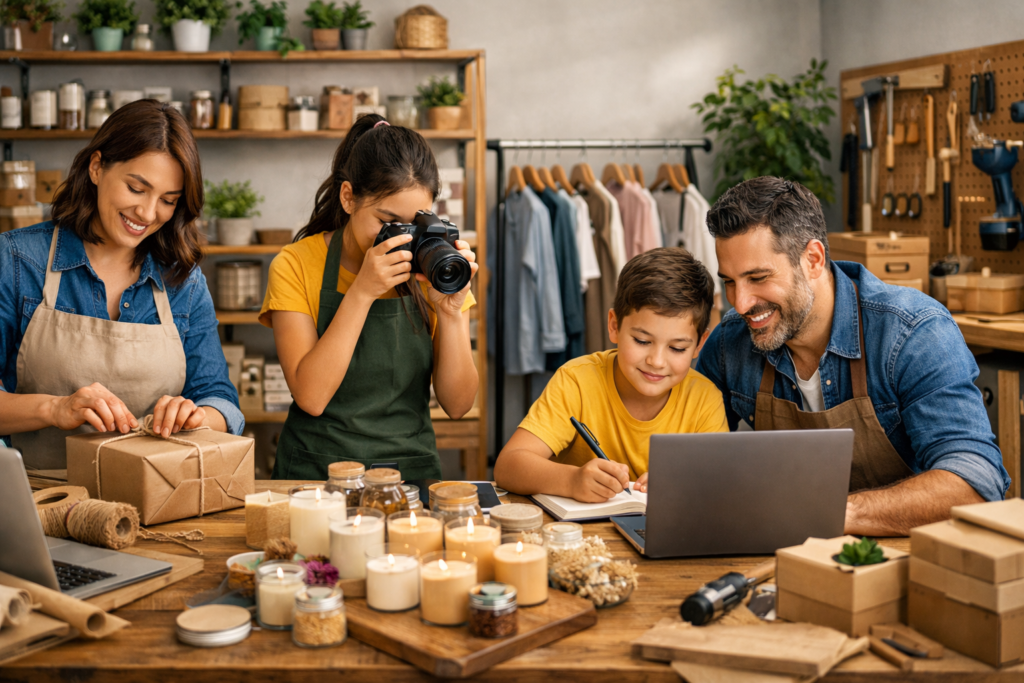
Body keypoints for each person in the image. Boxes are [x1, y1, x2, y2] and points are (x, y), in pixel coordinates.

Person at [696, 176, 1010, 536]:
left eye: (758, 277)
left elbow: (974, 482)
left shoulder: (912, 332)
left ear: (813, 259)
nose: (741, 303)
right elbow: (682, 449)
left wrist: (831, 513)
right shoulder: (731, 342)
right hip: (786, 552)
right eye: (730, 281)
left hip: (907, 565)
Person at [0, 100, 244, 468]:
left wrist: (196, 416)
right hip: (37, 502)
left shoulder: (183, 281)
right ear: (97, 167)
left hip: (155, 504)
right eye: (136, 188)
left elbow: (221, 400)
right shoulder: (18, 261)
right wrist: (55, 408)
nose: (147, 213)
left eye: (167, 200)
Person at [261, 114, 478, 480]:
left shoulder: (435, 267)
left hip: (408, 475)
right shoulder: (295, 264)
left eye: (413, 224)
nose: (400, 240)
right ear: (348, 197)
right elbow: (311, 397)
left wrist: (453, 314)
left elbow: (458, 405)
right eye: (386, 221)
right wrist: (362, 292)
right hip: (316, 473)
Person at [495, 248, 727, 503]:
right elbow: (508, 466)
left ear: (699, 344)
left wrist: (685, 481)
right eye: (641, 340)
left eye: (677, 348)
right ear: (614, 326)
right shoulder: (577, 380)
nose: (656, 361)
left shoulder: (704, 398)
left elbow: (721, 481)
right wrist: (572, 481)